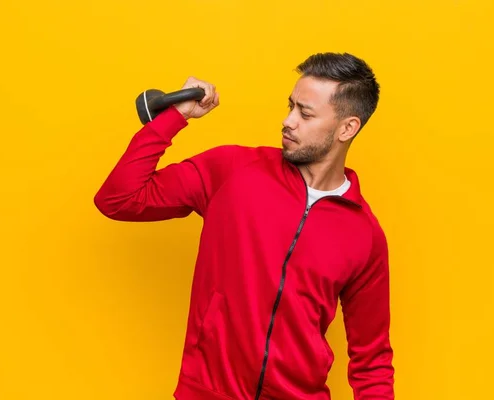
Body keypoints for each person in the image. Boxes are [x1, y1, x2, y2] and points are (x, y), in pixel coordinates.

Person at [94, 52, 394, 400]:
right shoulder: (234, 170)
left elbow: (371, 361)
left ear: (347, 128)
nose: (288, 121)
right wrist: (175, 117)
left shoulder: (364, 235)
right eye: (290, 106)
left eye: (305, 113)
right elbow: (119, 198)